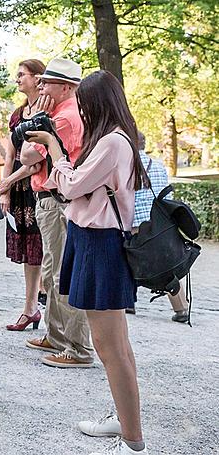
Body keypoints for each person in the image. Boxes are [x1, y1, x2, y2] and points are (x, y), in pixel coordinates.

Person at [28, 70, 150, 455]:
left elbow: (70, 185)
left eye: (84, 103)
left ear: (97, 104)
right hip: (95, 240)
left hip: (101, 243)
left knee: (109, 346)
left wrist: (56, 149)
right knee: (116, 346)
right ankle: (125, 421)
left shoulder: (113, 142)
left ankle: (132, 439)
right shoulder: (115, 139)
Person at [20, 58, 94, 368]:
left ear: (66, 87)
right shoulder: (63, 113)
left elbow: (26, 155)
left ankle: (77, 348)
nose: (41, 86)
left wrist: (39, 116)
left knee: (63, 274)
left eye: (47, 82)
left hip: (55, 200)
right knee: (53, 273)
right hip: (50, 198)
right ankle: (56, 335)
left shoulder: (61, 118)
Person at [0, 59, 46, 330]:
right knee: (29, 253)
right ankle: (31, 307)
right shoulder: (17, 114)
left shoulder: (46, 111)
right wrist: (5, 188)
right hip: (18, 189)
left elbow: (37, 161)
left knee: (41, 251)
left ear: (37, 78)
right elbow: (10, 155)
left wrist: (9, 182)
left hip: (38, 186)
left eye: (21, 75)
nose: (17, 79)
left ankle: (39, 306)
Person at [129, 132, 189, 322]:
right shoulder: (158, 166)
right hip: (159, 221)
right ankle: (181, 309)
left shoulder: (127, 166)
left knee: (128, 257)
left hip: (136, 223)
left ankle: (128, 302)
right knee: (166, 264)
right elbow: (166, 194)